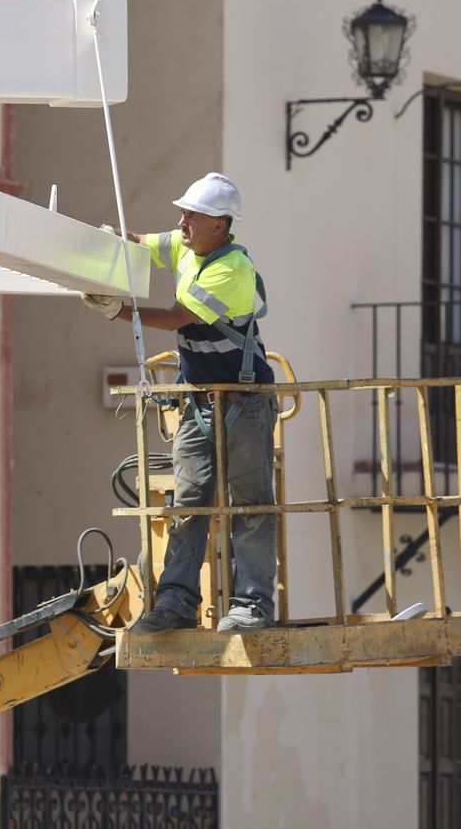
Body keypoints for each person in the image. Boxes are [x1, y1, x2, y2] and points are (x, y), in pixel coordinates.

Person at [82, 173, 278, 634]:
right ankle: (174, 603)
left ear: (222, 224)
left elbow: (178, 316)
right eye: (184, 212)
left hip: (244, 401)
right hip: (198, 401)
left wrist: (120, 311)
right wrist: (111, 237)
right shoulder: (187, 247)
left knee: (250, 506)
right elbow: (146, 244)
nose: (182, 221)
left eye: (193, 215)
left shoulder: (232, 269)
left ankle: (251, 606)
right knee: (188, 503)